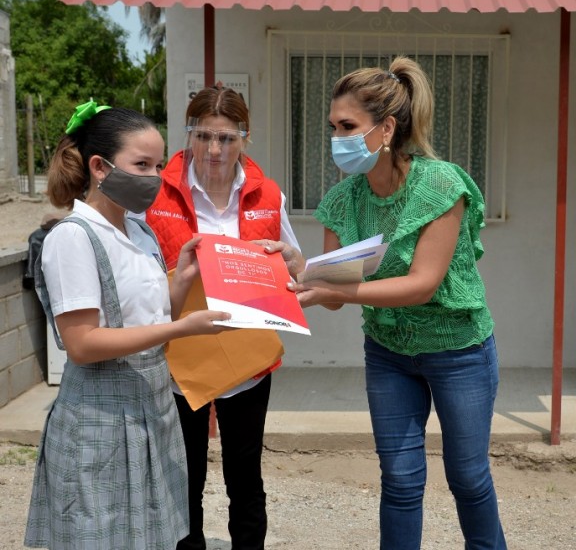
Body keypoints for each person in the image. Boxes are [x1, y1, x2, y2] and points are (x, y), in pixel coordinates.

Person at [290, 56, 507, 549]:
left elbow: (421, 284)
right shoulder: (342, 201)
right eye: (333, 127)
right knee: (401, 481)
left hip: (459, 351)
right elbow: (330, 289)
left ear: (386, 127)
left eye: (348, 126)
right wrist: (293, 266)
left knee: (469, 479)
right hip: (388, 352)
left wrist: (332, 289)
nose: (337, 138)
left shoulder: (440, 186)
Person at [24, 102, 231, 549]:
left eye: (158, 165)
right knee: (101, 536)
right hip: (101, 416)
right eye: (141, 165)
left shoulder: (140, 231)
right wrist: (183, 330)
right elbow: (82, 344)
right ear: (99, 167)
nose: (154, 177)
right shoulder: (74, 237)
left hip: (151, 408)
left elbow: (153, 316)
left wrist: (185, 281)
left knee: (151, 536)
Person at [145, 86, 303, 550]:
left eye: (228, 139)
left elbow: (296, 271)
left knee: (245, 479)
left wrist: (293, 258)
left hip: (246, 362)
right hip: (179, 361)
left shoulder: (269, 194)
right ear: (189, 134)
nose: (215, 150)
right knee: (183, 478)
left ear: (245, 139)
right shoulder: (156, 192)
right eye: (204, 136)